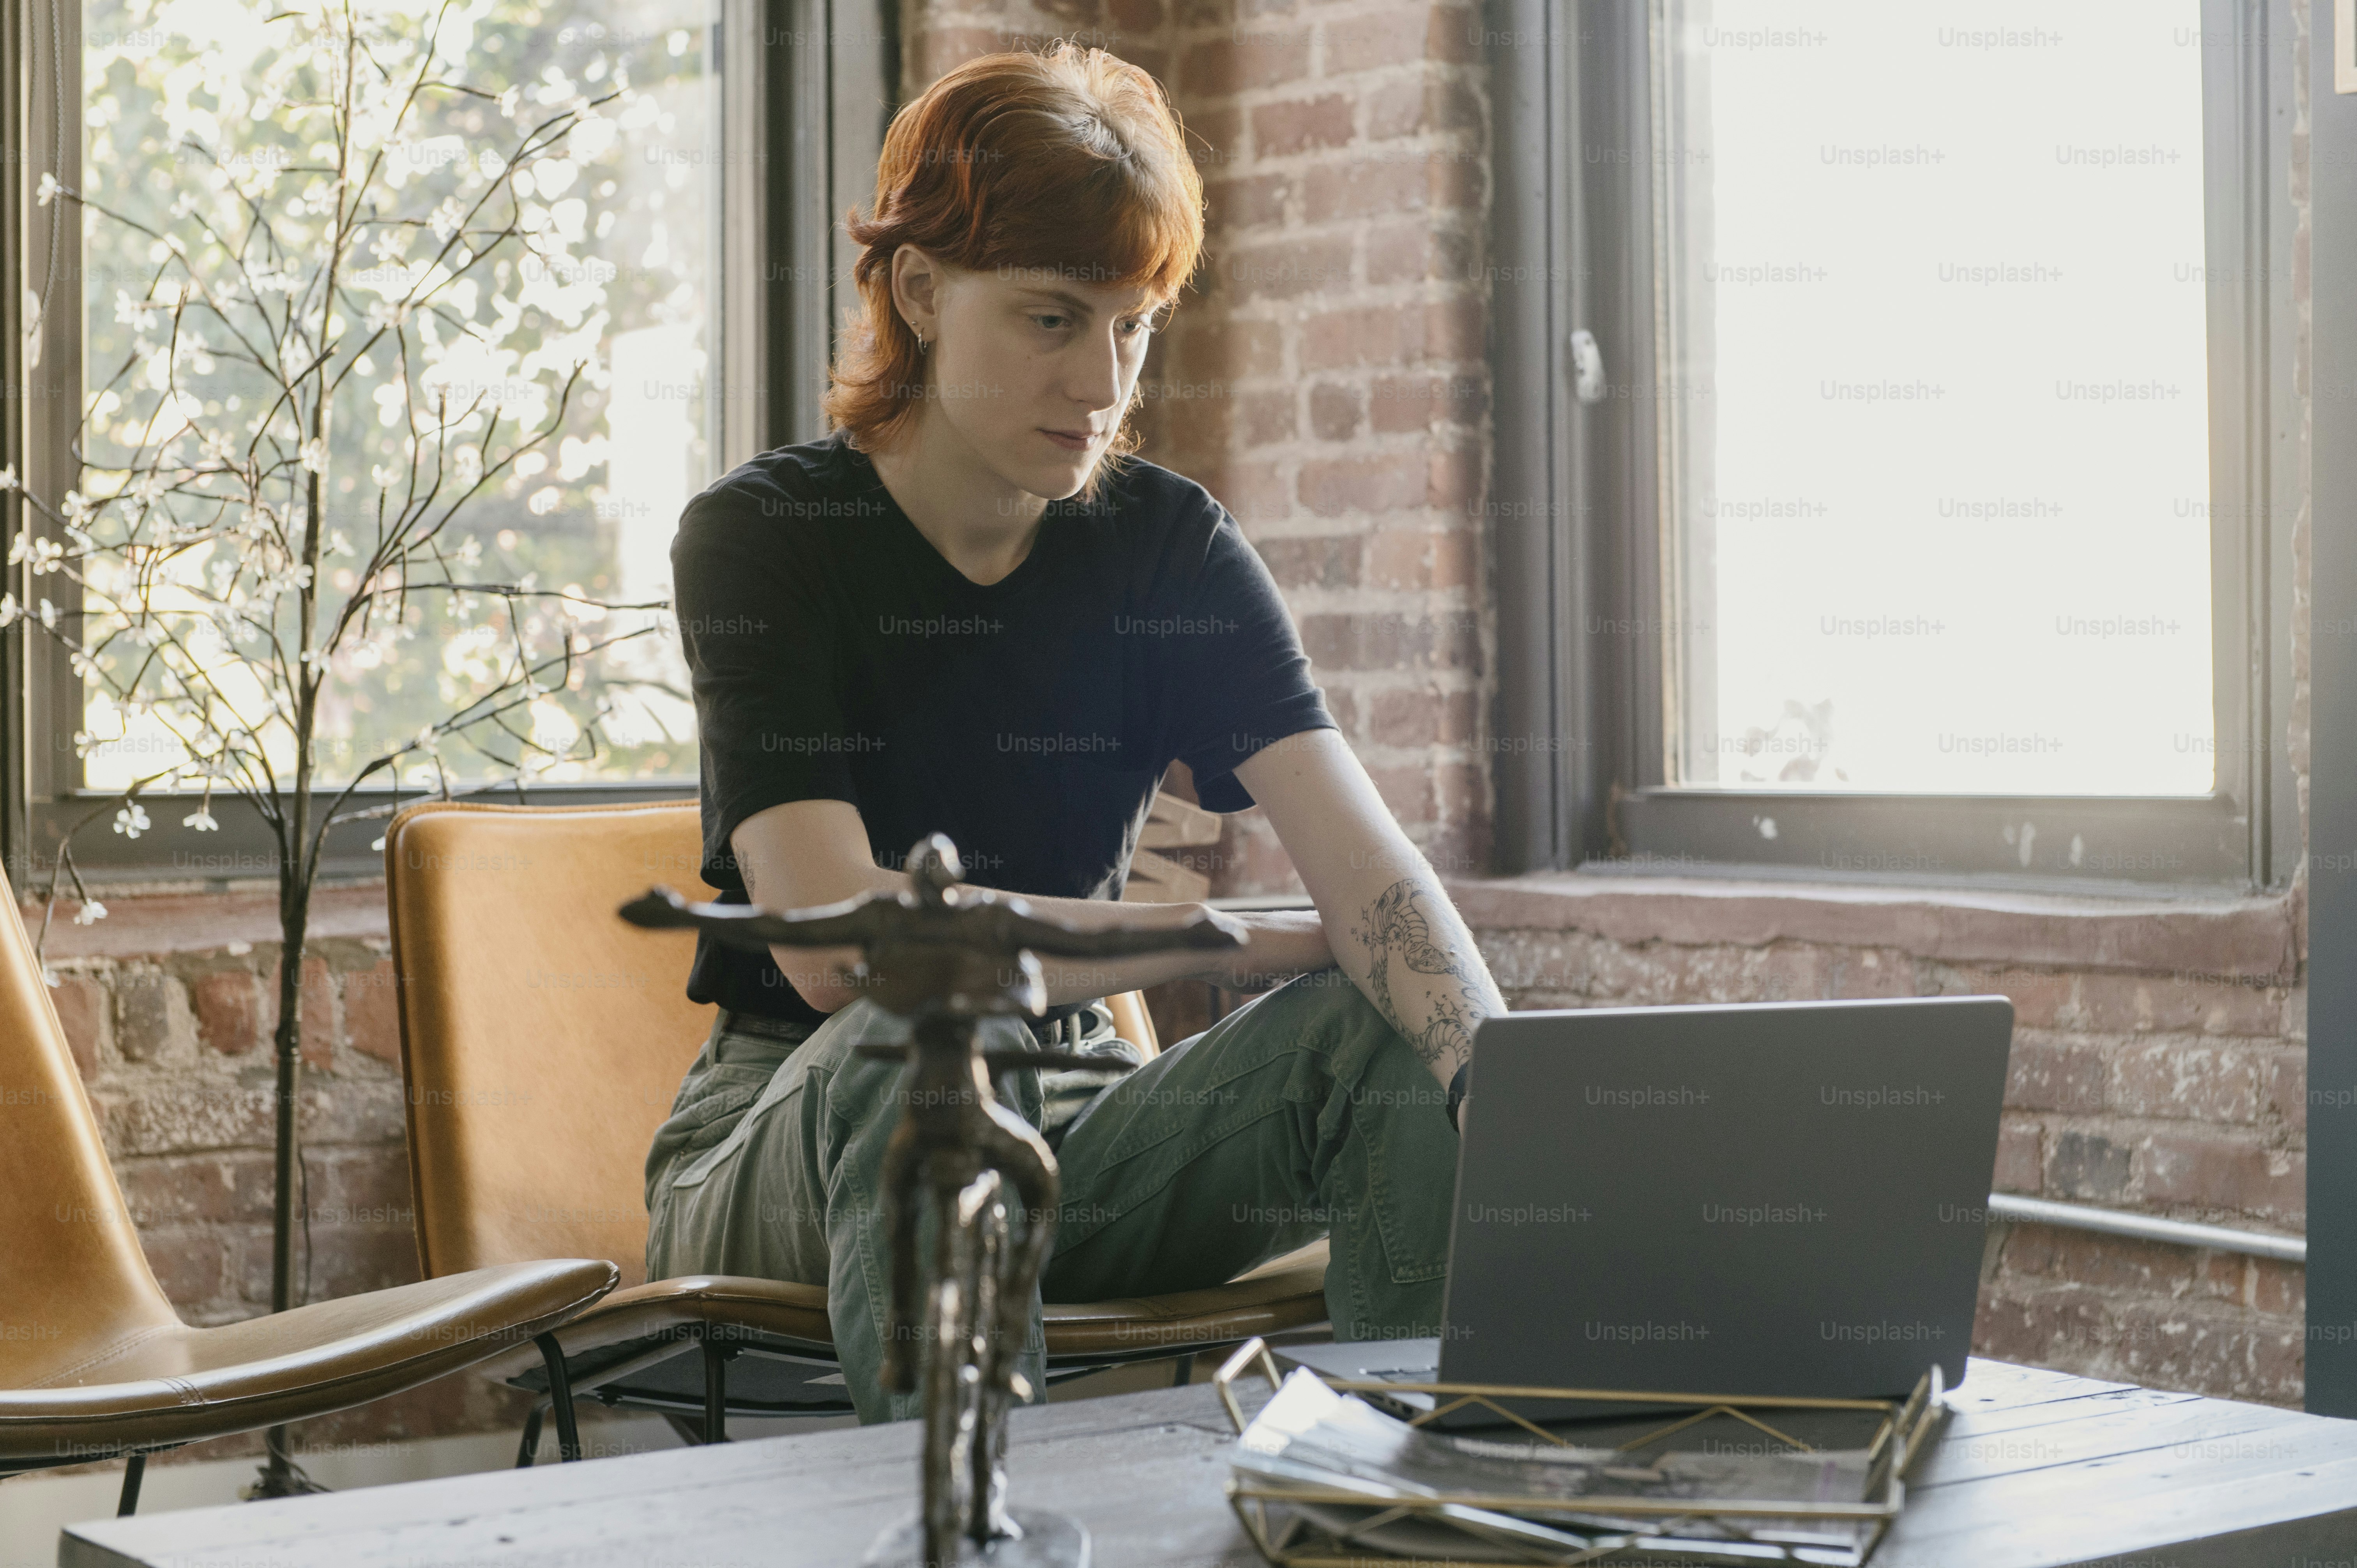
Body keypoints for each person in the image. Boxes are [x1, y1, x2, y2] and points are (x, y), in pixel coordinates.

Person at [643, 40, 1507, 1425]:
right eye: (1052, 320)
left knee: (1397, 1025)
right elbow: (836, 945)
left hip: (1084, 1122)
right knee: (937, 1008)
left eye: (1133, 325)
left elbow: (1380, 883)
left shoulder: (1169, 550)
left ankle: (1413, 1506)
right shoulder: (766, 536)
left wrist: (1500, 1088)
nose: (1103, 383)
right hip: (780, 1144)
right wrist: (1234, 937)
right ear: (920, 291)